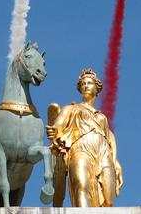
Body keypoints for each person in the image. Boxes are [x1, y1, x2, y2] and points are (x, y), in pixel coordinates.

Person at [45, 68, 123, 207]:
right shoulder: (71, 108)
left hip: (103, 153)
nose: (86, 85)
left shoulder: (101, 116)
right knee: (81, 185)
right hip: (80, 150)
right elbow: (58, 124)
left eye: (89, 83)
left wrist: (116, 161)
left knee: (108, 198)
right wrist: (54, 131)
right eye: (83, 83)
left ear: (97, 88)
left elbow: (109, 137)